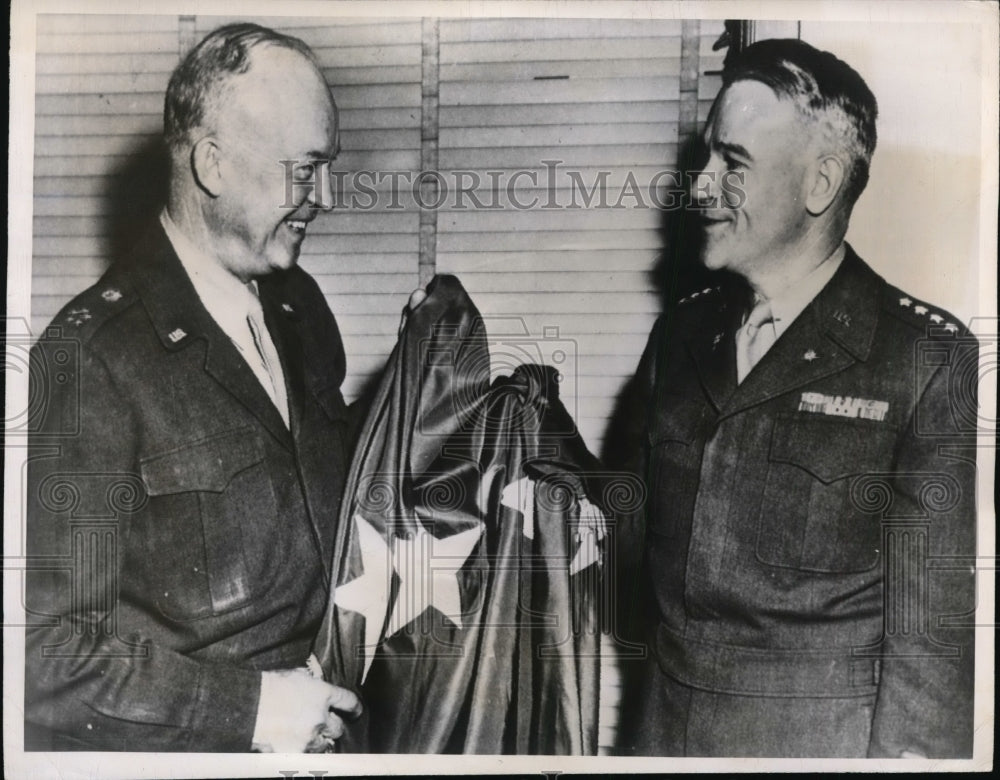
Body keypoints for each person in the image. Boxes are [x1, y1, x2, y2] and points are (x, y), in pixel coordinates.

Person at [24, 23, 384, 752]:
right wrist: (256, 711)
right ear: (213, 165)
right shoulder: (91, 358)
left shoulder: (300, 307)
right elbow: (45, 654)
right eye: (306, 169)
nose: (324, 197)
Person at [617, 38, 977, 758]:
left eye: (733, 164)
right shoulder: (680, 336)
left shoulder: (924, 360)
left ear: (821, 184)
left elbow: (930, 643)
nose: (701, 187)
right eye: (707, 157)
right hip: (660, 737)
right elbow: (622, 534)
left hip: (813, 748)